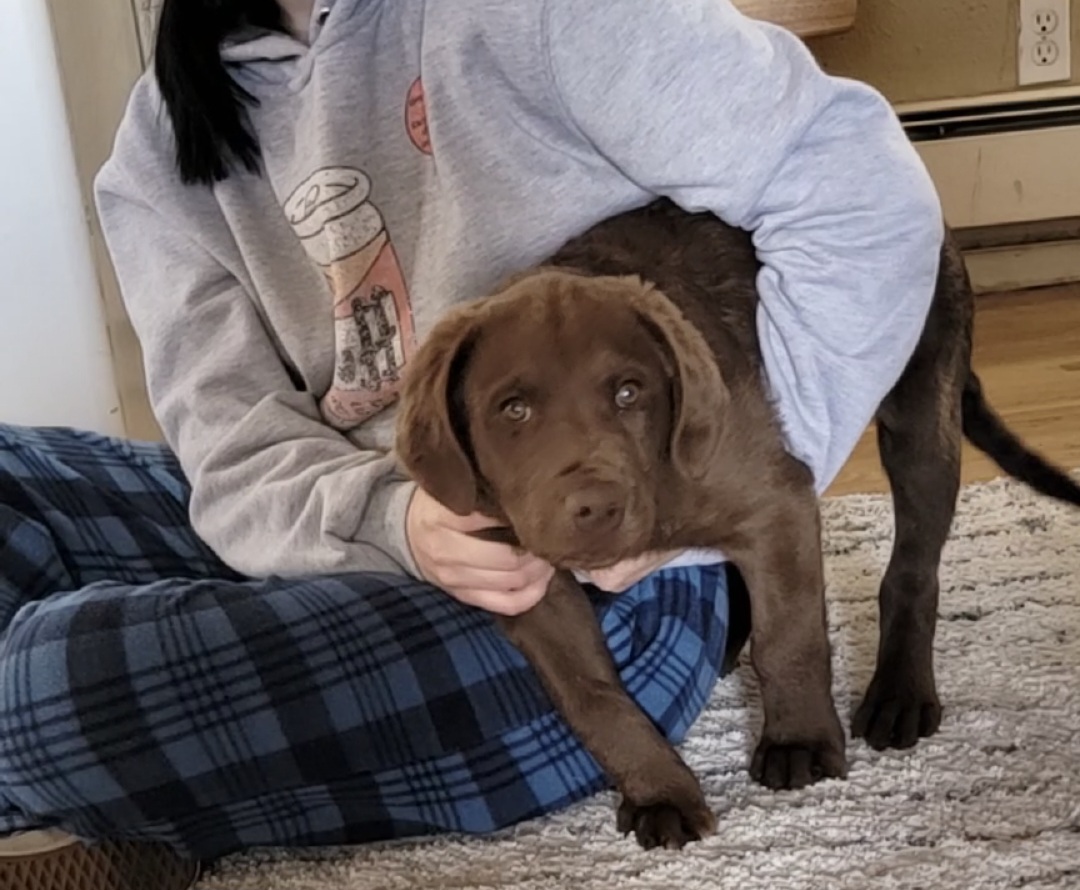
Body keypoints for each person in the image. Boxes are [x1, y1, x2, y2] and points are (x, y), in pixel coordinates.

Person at [0, 0, 943, 871]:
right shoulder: (163, 137)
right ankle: (131, 791)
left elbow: (860, 188)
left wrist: (745, 458)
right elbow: (231, 445)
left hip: (597, 589)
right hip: (356, 509)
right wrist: (391, 520)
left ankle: (108, 791)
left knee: (50, 691)